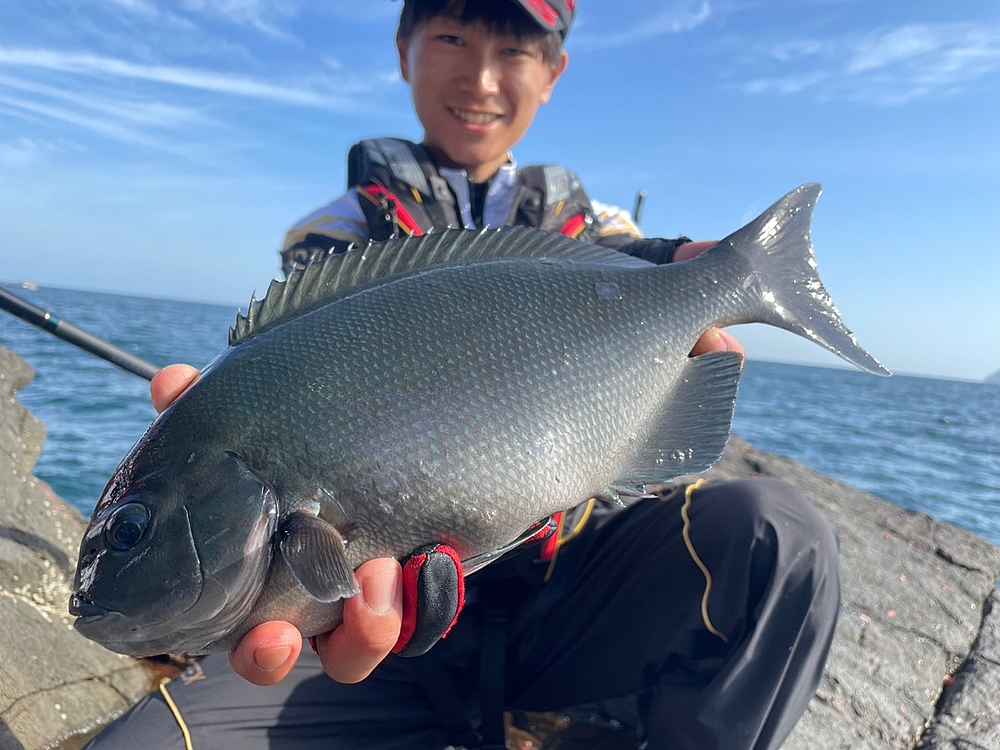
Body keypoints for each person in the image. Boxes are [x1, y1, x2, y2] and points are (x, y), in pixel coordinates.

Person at [86, 2, 840, 748]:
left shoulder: (604, 232)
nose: (480, 79)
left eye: (514, 52)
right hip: (363, 649)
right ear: (404, 49)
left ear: (553, 74)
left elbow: (645, 272)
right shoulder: (333, 236)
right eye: (452, 37)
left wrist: (710, 277)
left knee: (780, 536)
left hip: (560, 599)